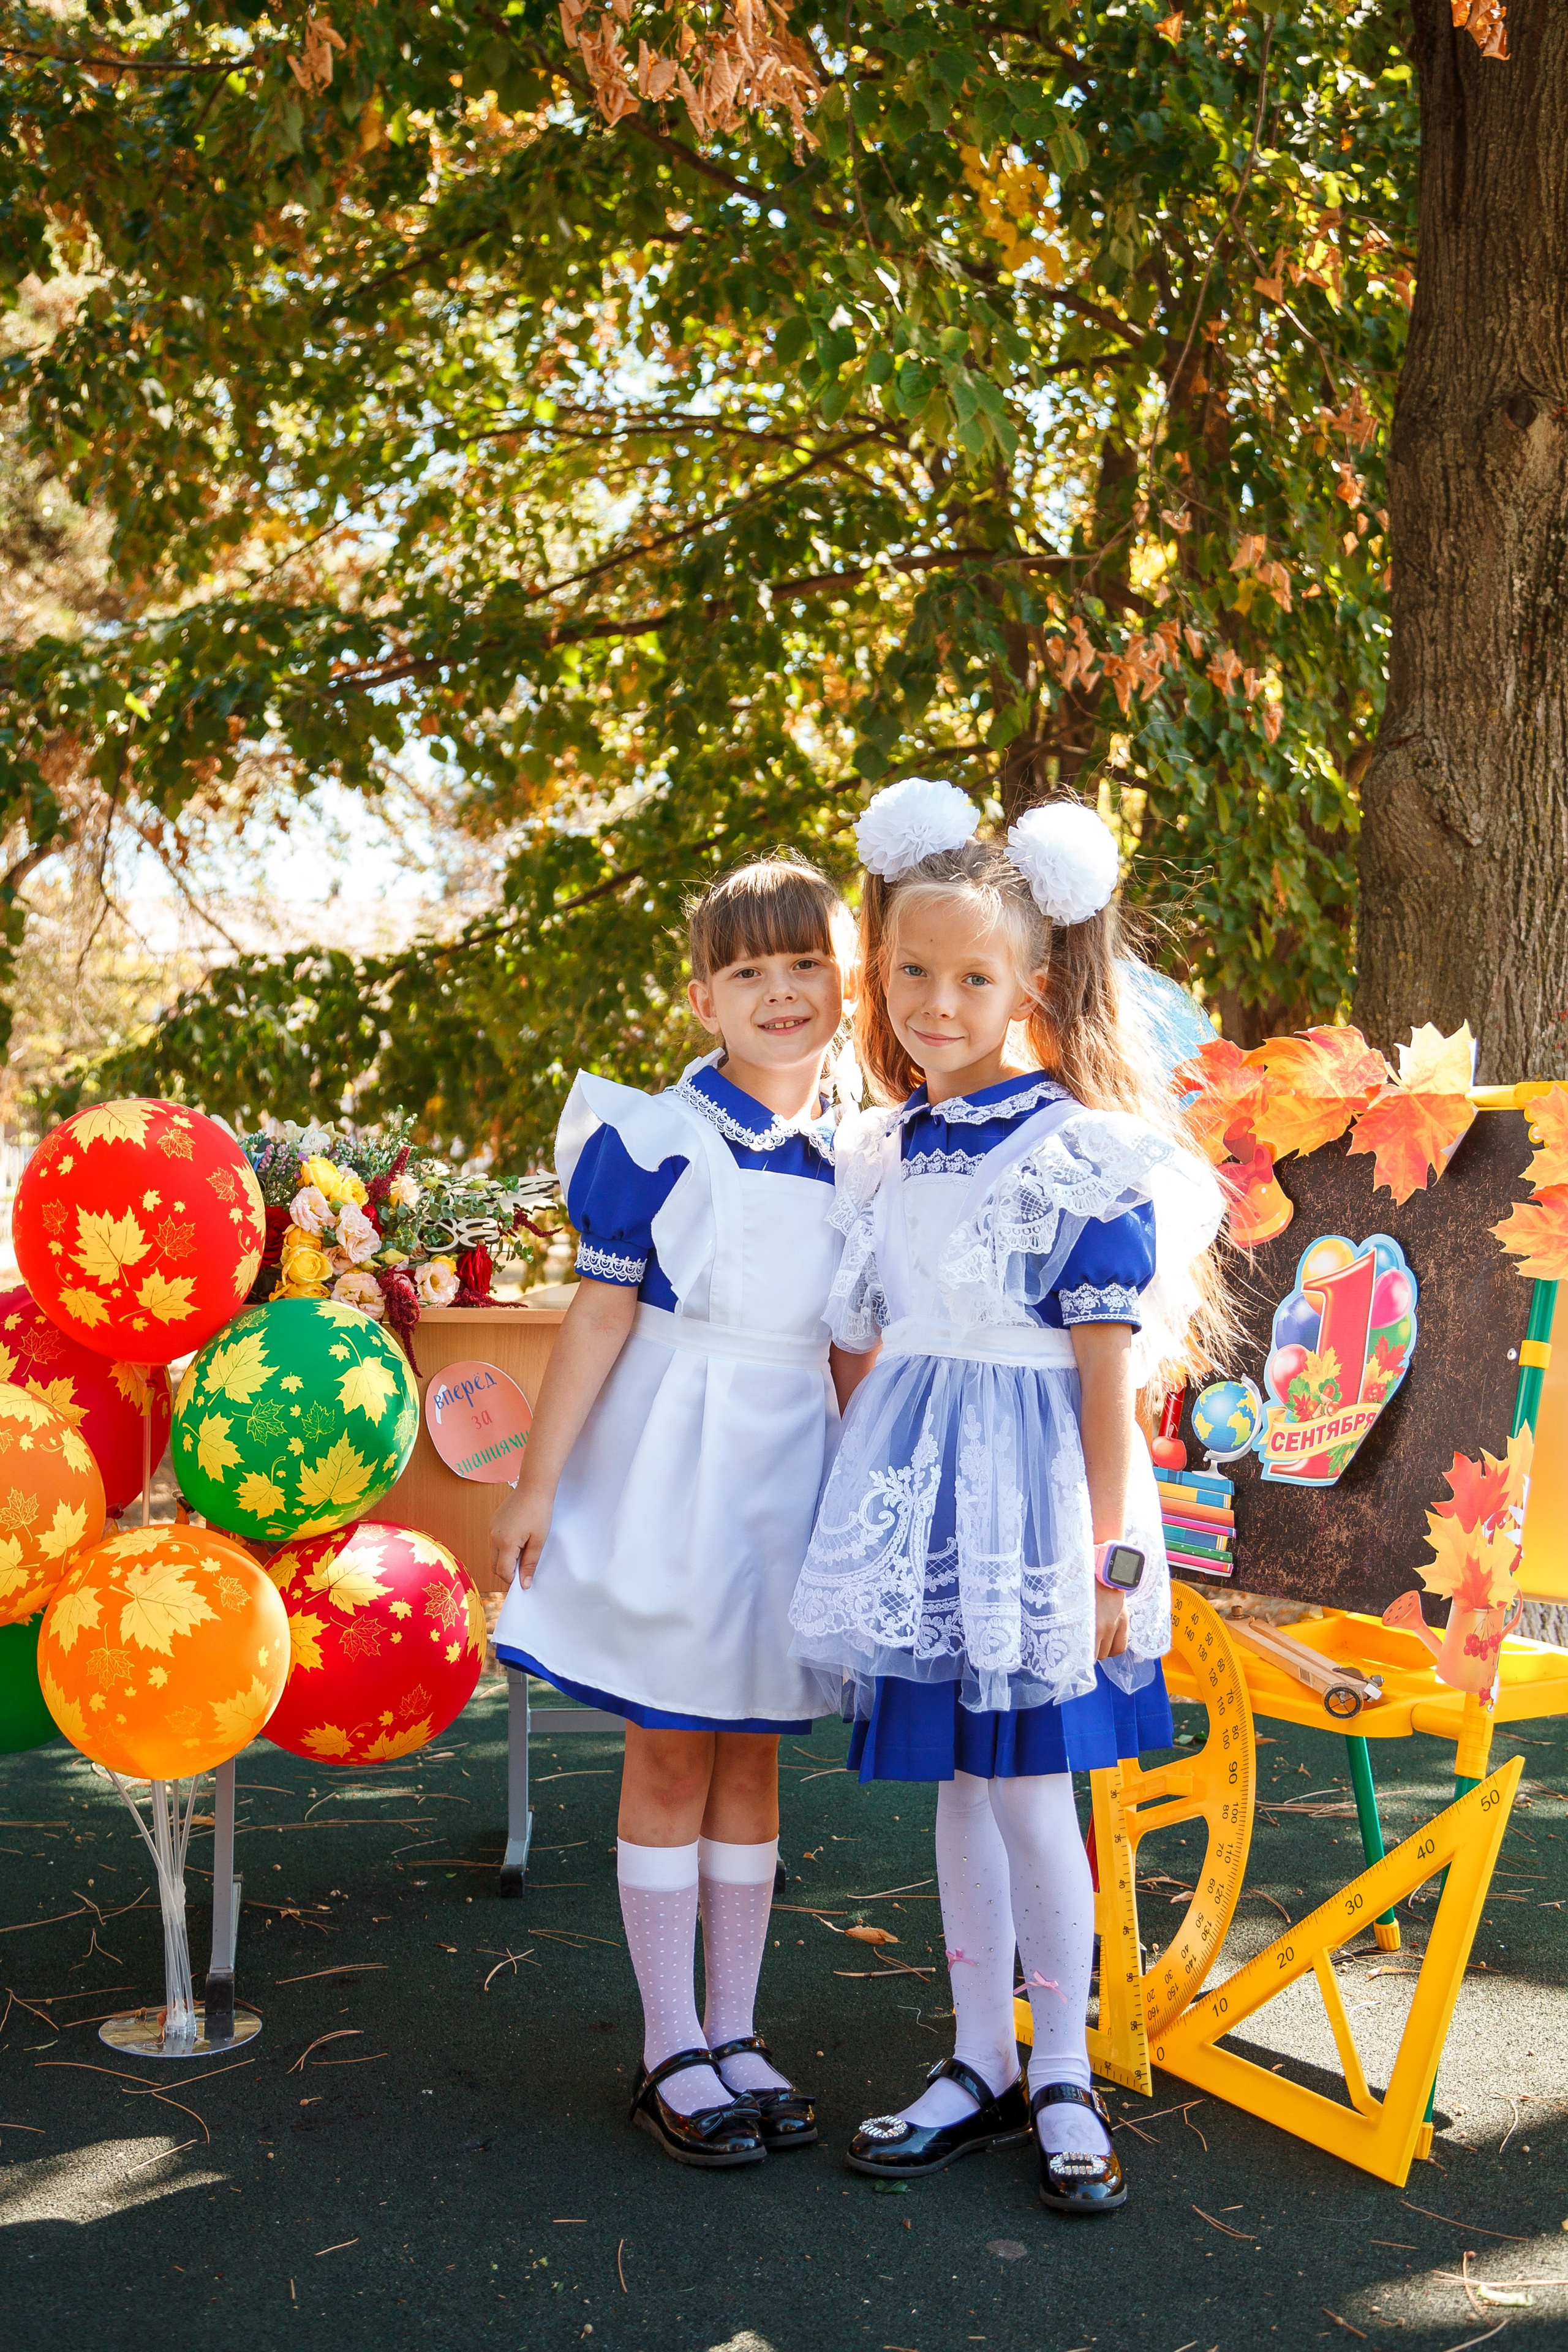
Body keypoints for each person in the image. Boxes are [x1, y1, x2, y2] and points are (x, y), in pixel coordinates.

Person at [787, 780, 1226, 2217]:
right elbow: (867, 1346)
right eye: (909, 971)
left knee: (1036, 1792)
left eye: (971, 976)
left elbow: (1104, 1383)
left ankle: (1063, 2069)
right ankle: (977, 2056)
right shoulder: (886, 1149)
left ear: (1027, 987)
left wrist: (1107, 1561)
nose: (933, 1000)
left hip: (1040, 1517)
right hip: (925, 1513)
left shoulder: (1081, 1157)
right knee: (960, 1792)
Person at [491, 854, 870, 2171]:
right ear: (702, 996)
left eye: (803, 965)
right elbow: (597, 1316)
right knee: (668, 1746)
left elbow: (853, 1352)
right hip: (670, 1464)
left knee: (753, 1750)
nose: (778, 992)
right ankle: (665, 2044)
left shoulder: (862, 1151)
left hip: (789, 1476)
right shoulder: (651, 1136)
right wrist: (537, 1483)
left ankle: (735, 2025)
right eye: (746, 972)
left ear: (846, 977)